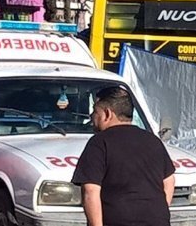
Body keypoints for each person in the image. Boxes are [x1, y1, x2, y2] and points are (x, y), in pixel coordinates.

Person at [72, 86, 175, 226]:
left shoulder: (99, 142)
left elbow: (90, 191)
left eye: (95, 111)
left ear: (107, 114)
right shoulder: (153, 141)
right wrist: (159, 212)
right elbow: (169, 180)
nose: (91, 116)